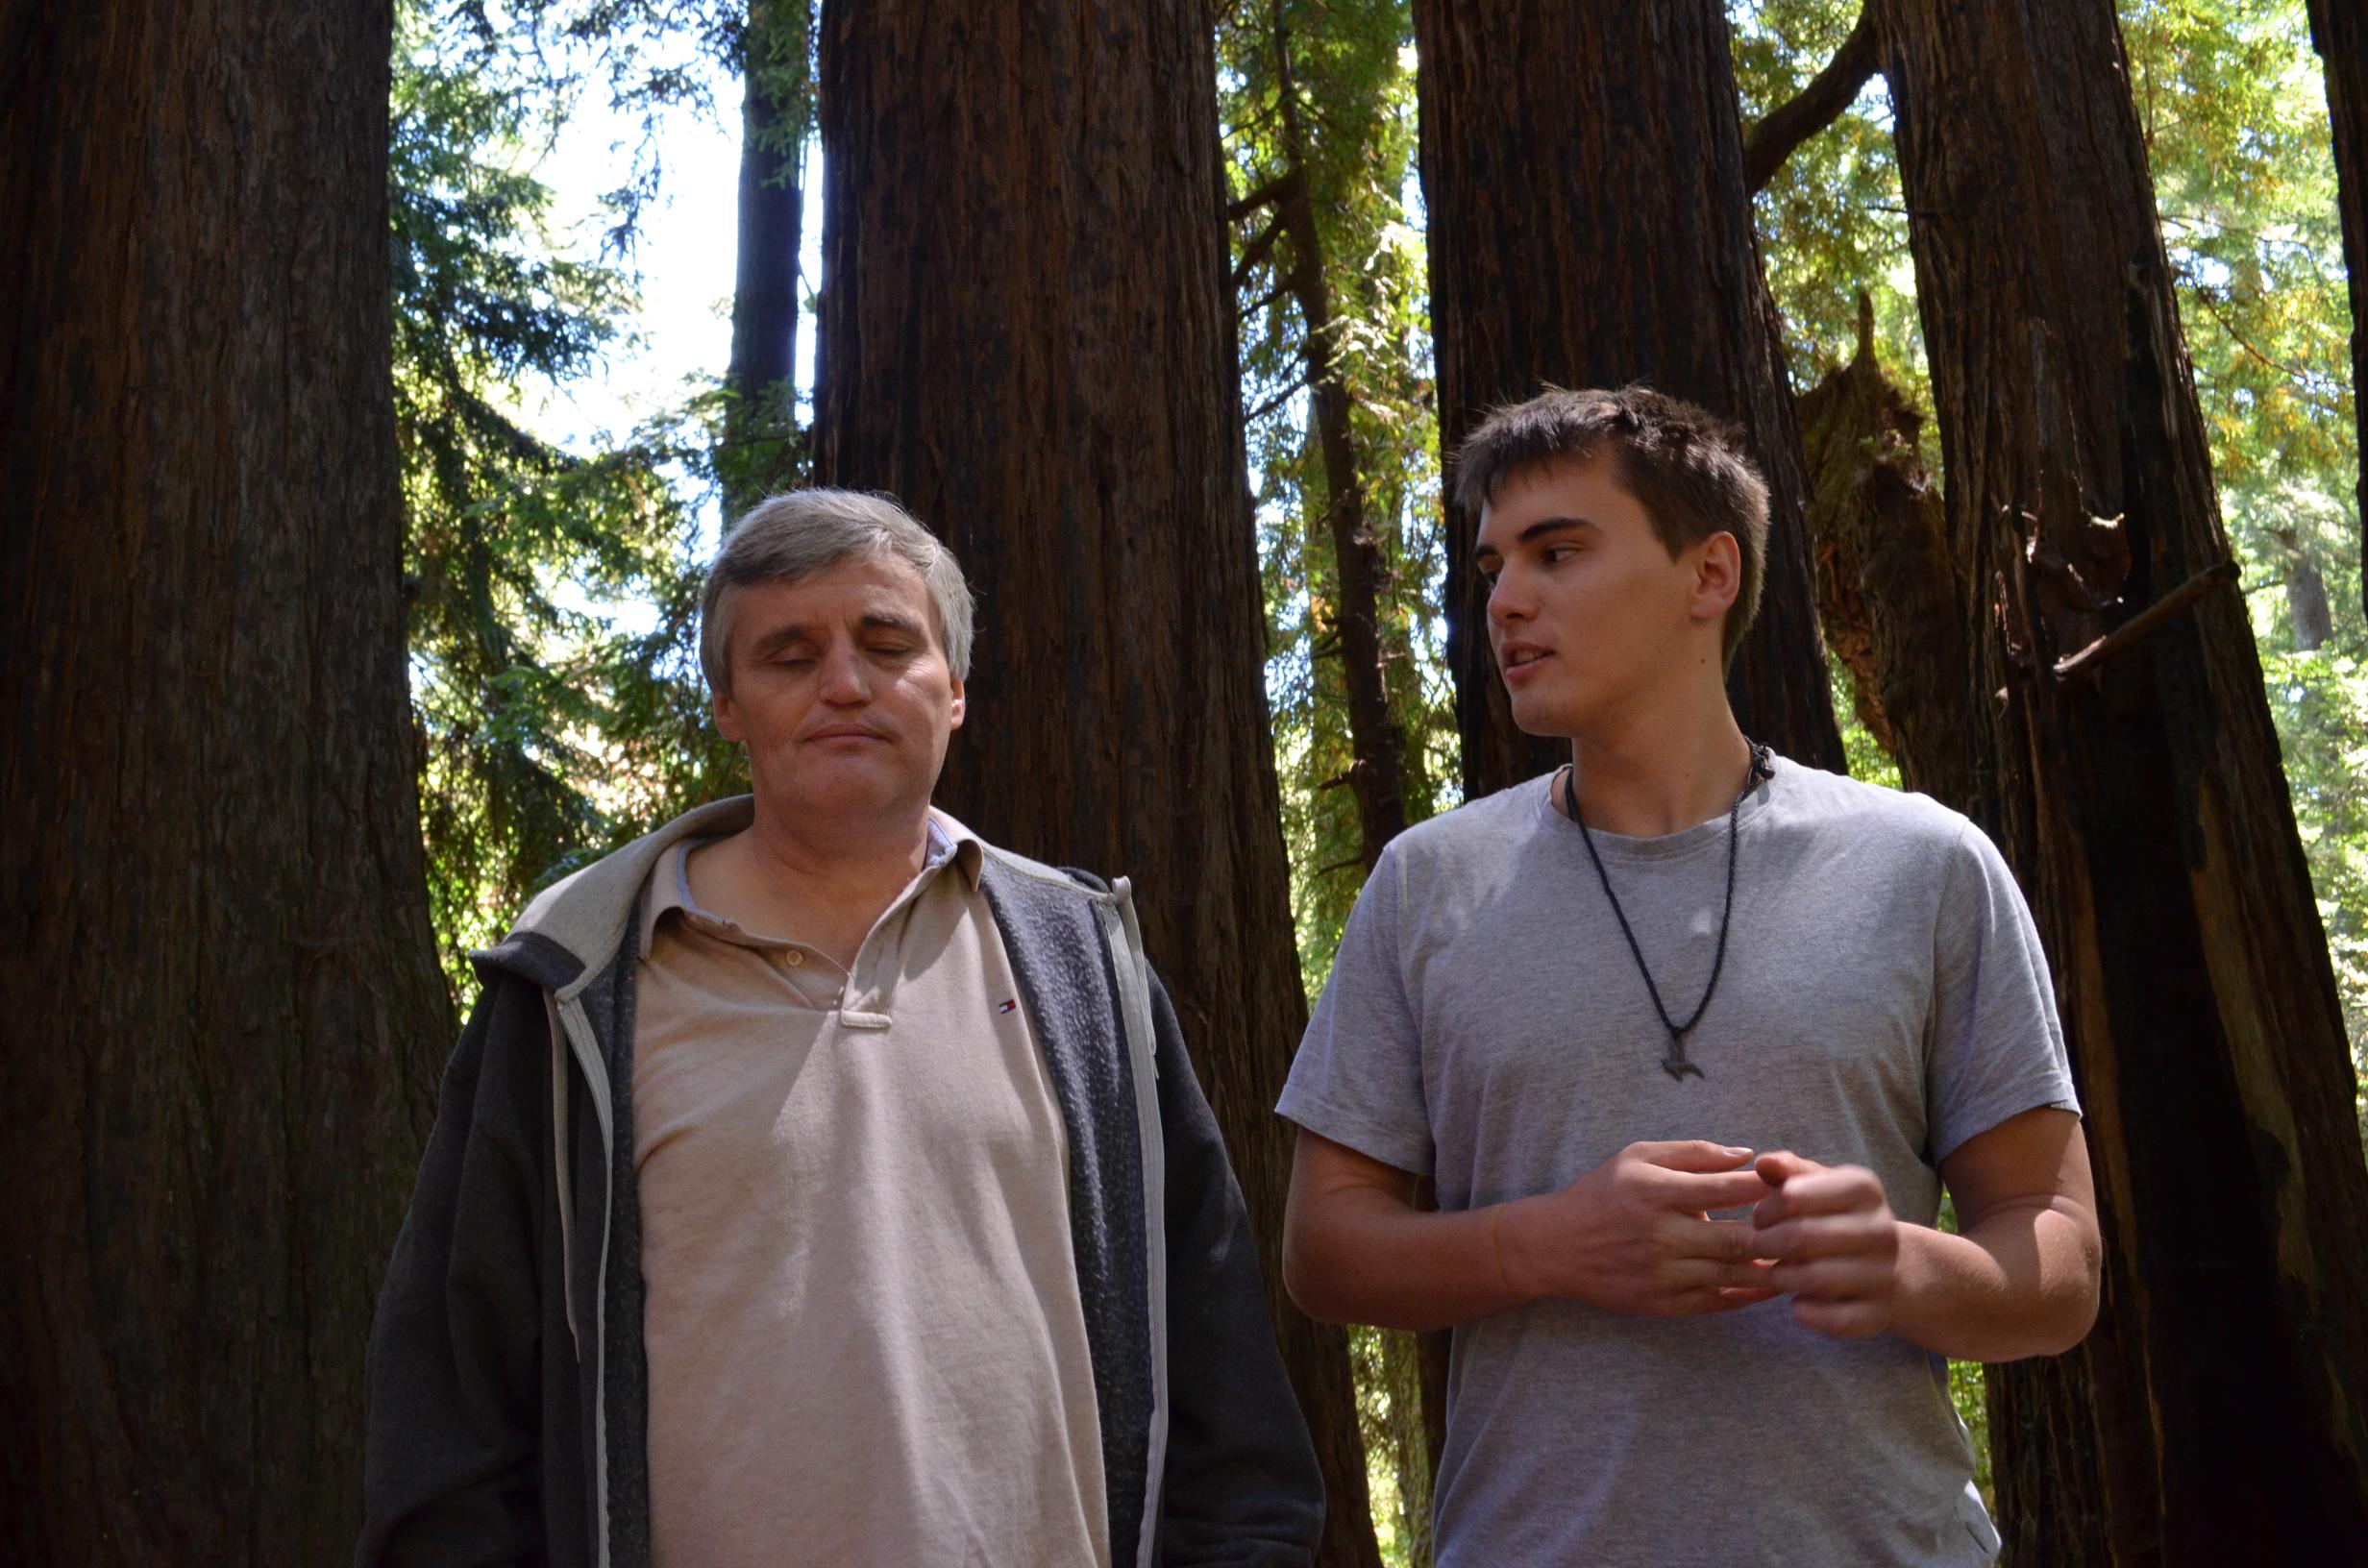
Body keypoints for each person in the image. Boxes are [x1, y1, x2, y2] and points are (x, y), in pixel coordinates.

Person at [359, 488, 1323, 1567]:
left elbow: (1224, 1385)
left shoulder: (1084, 968)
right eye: (788, 654)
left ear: (954, 690)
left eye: (887, 644)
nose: (844, 685)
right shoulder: (575, 987)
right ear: (727, 705)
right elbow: (451, 1414)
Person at [1277, 386, 2102, 1565]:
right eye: (1494, 566)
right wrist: (1543, 1245)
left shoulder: (1923, 866)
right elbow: (1323, 1249)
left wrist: (1904, 1264)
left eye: (1558, 552)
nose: (1504, 600)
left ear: (1708, 574)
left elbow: (2059, 1260)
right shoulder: (1427, 884)